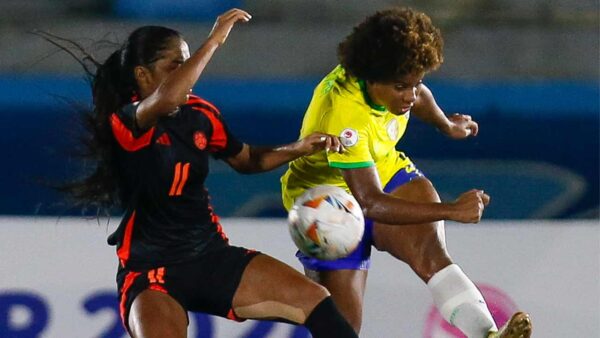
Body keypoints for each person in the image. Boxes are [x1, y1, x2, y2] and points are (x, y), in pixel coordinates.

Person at [52, 9, 359, 338]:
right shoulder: (127, 121)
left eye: (187, 63)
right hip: (151, 274)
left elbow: (247, 160)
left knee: (317, 302)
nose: (188, 75)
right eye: (176, 65)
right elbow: (167, 96)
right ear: (142, 76)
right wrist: (213, 41)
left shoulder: (200, 115)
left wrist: (299, 147)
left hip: (210, 256)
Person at [281, 7, 532, 338]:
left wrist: (446, 125)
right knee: (341, 330)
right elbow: (369, 202)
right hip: (326, 204)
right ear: (372, 79)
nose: (410, 96)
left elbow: (418, 94)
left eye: (416, 83)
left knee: (431, 255)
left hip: (381, 168)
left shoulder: (389, 74)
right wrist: (451, 210)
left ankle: (487, 334)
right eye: (402, 87)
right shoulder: (344, 115)